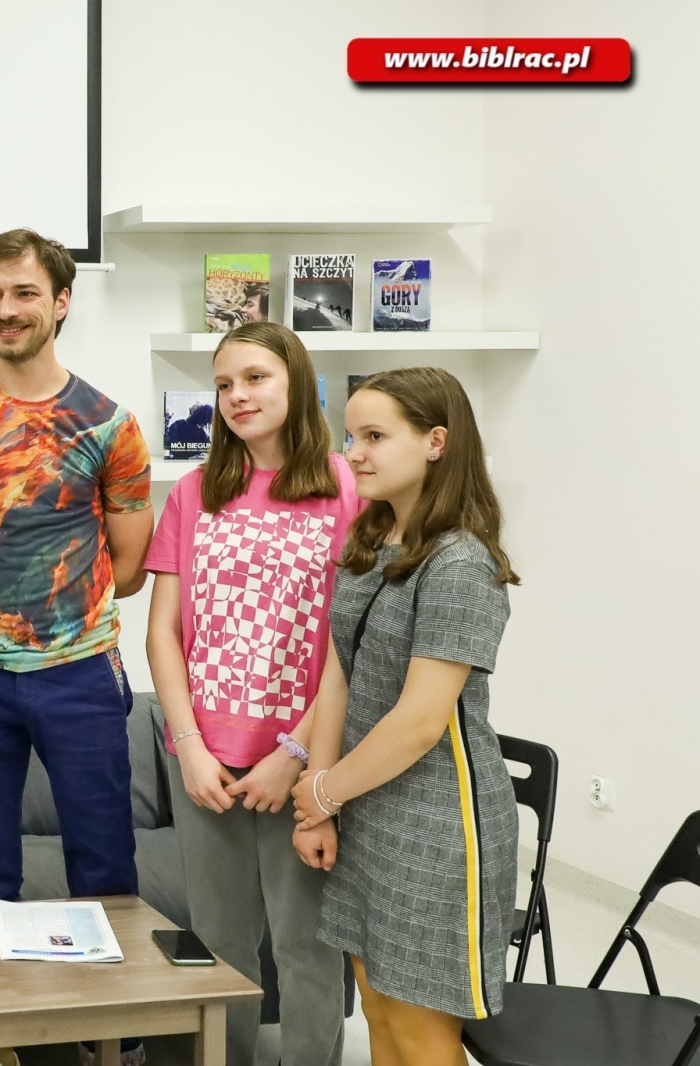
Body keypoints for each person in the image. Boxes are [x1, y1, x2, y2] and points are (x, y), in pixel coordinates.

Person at [0, 229, 154, 1066]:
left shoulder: (110, 426)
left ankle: (109, 1042)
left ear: (60, 302)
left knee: (104, 869)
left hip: (80, 676)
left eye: (23, 294)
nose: (6, 310)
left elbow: (127, 570)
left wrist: (53, 616)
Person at [291, 367, 519, 1066]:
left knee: (422, 1039)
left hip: (437, 825)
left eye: (373, 436)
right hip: (367, 804)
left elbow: (420, 721)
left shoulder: (460, 565)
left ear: (435, 442)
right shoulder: (372, 542)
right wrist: (322, 802)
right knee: (382, 1016)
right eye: (350, 435)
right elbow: (338, 679)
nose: (352, 452)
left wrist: (326, 790)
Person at [143, 322, 356, 1066]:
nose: (237, 396)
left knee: (304, 946)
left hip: (303, 762)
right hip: (205, 764)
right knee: (216, 945)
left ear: (296, 382)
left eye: (256, 378)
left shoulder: (345, 487)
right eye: (225, 383)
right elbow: (161, 634)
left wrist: (296, 755)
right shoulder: (196, 491)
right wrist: (190, 748)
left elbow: (351, 645)